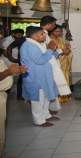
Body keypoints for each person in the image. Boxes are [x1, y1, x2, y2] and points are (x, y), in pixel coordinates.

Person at [20, 26, 60, 127]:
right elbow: (40, 60)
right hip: (36, 77)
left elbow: (52, 56)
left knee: (46, 97)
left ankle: (46, 115)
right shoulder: (30, 46)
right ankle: (39, 120)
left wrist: (53, 49)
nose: (44, 35)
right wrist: (50, 49)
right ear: (34, 35)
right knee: (38, 100)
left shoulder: (39, 44)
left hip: (44, 76)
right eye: (42, 33)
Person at [0, 27, 27, 156]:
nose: (0, 36)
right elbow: (6, 51)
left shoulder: (22, 40)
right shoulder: (6, 41)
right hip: (9, 64)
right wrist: (9, 69)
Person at [40, 16, 71, 114]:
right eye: (53, 25)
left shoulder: (45, 35)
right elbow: (48, 50)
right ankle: (45, 112)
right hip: (48, 62)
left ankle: (49, 109)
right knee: (47, 88)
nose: (54, 28)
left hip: (54, 61)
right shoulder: (43, 35)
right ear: (49, 24)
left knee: (51, 86)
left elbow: (51, 50)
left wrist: (63, 50)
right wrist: (62, 51)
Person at [49, 25, 73, 102]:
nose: (59, 33)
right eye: (57, 31)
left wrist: (67, 49)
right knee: (56, 79)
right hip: (55, 63)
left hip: (63, 63)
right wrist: (62, 51)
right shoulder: (48, 40)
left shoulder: (60, 40)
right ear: (51, 31)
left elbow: (63, 49)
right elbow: (50, 52)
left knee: (64, 77)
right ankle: (57, 97)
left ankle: (64, 96)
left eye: (60, 31)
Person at [7, 29, 27, 101]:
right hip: (22, 62)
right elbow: (10, 47)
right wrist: (10, 57)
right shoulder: (22, 39)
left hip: (32, 63)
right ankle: (19, 95)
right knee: (21, 79)